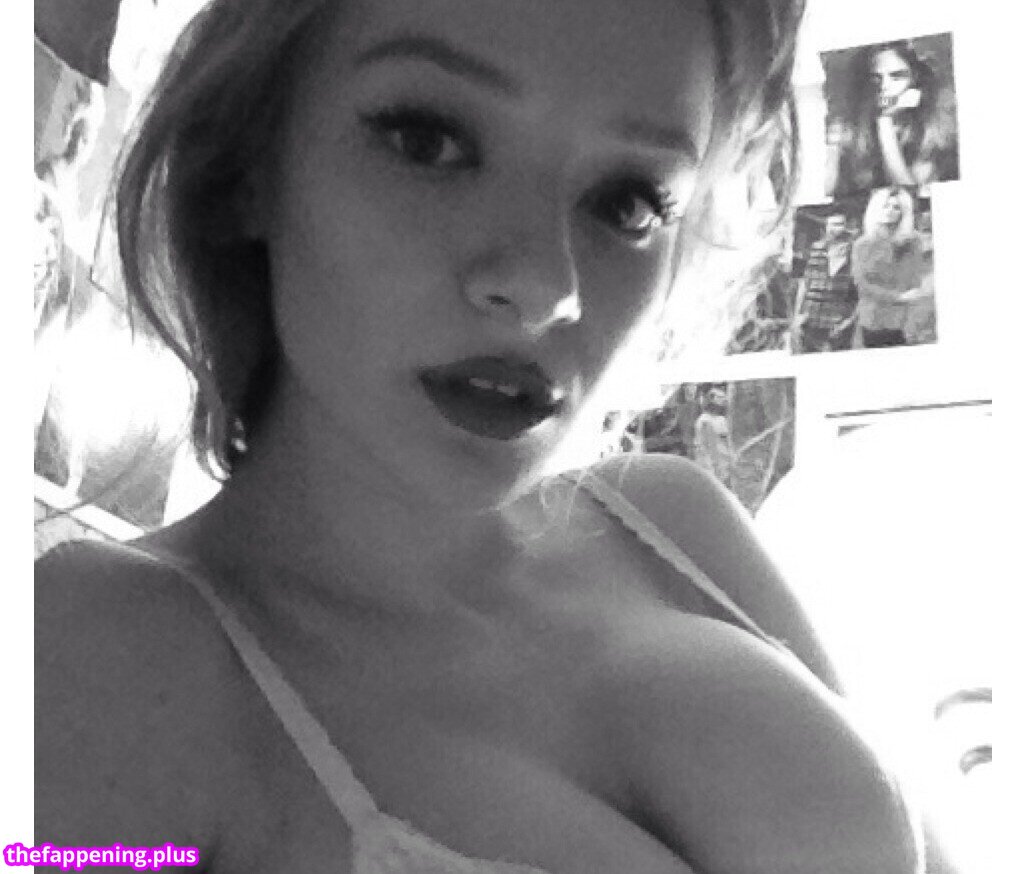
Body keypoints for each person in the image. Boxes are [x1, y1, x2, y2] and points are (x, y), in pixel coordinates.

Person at [35, 1, 925, 872]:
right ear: (247, 162)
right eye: (428, 141)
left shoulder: (674, 524)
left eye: (627, 201)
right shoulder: (94, 651)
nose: (544, 288)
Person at [826, 39, 958, 198]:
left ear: (916, 80)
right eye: (876, 78)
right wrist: (832, 149)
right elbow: (825, 193)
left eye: (897, 77)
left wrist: (884, 119)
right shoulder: (848, 126)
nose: (884, 86)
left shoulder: (932, 129)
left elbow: (910, 196)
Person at [852, 186, 931, 349]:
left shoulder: (912, 242)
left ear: (903, 213)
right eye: (886, 206)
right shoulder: (862, 244)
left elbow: (913, 281)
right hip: (871, 319)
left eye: (896, 207)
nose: (890, 211)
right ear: (876, 209)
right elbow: (862, 284)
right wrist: (897, 297)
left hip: (901, 321)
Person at [792, 210, 859, 353]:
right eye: (832, 225)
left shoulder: (855, 253)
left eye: (840, 224)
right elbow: (805, 283)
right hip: (811, 318)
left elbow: (861, 291)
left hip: (839, 321)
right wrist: (798, 314)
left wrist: (850, 321)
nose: (836, 229)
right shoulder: (815, 249)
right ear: (826, 228)